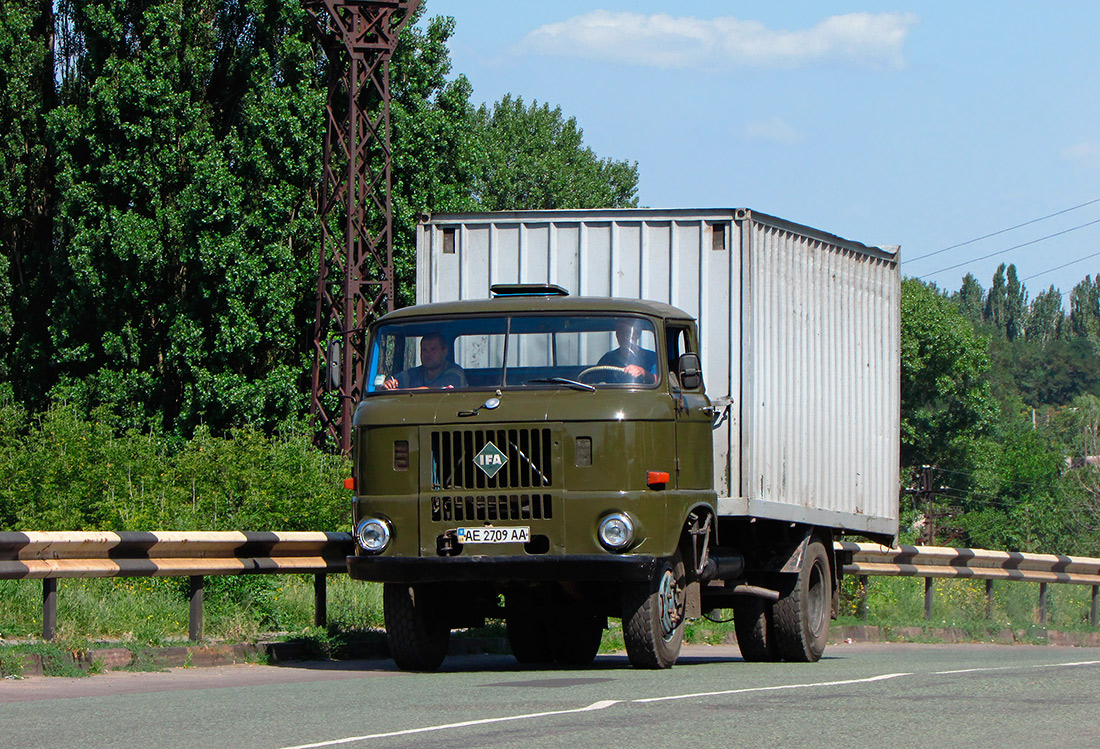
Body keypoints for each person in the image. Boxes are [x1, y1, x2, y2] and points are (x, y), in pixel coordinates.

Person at [383, 332, 467, 389]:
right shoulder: (412, 374)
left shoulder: (455, 372)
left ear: (444, 351)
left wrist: (398, 392)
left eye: (433, 349)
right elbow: (393, 382)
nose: (428, 354)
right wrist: (387, 385)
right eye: (424, 350)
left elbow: (432, 390)